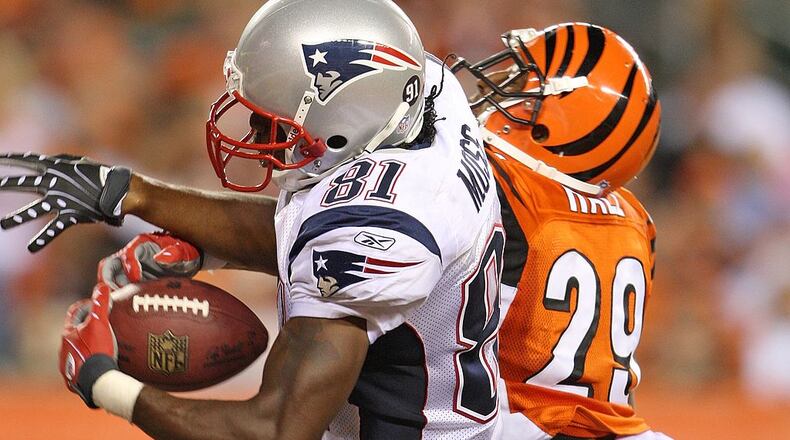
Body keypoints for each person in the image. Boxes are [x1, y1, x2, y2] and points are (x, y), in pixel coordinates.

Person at [0, 1, 504, 438]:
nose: (258, 134)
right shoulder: (423, 98)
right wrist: (134, 196)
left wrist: (103, 382)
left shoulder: (378, 229)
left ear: (342, 124)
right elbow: (323, 231)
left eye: (272, 120)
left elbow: (277, 428)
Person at [452, 23, 669, 439]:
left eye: (522, 87)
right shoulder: (636, 217)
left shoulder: (507, 189)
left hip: (522, 423)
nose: (502, 92)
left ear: (564, 121)